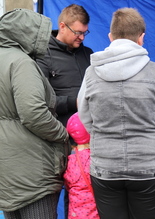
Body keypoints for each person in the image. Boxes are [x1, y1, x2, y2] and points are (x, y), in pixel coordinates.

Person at [77, 7, 155, 219]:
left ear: (110, 37)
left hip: (105, 167)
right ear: (141, 38)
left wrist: (105, 131)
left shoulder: (91, 73)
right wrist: (149, 131)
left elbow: (85, 118)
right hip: (146, 167)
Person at [0, 9, 69, 219]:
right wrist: (62, 134)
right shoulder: (21, 63)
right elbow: (33, 114)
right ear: (26, 33)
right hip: (30, 167)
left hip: (8, 164)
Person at [36, 4, 93, 127]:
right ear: (62, 26)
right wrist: (75, 103)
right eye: (78, 33)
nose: (82, 37)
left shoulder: (88, 54)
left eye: (85, 33)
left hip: (90, 133)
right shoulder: (43, 55)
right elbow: (40, 101)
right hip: (59, 133)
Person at [64, 113, 100, 219]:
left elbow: (67, 183)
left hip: (75, 214)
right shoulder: (95, 158)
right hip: (95, 213)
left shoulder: (71, 159)